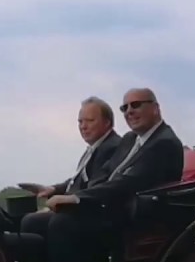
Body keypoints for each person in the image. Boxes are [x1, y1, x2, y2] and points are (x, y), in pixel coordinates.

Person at [39, 87, 184, 262]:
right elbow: (105, 174)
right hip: (114, 211)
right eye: (124, 108)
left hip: (139, 219)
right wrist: (72, 196)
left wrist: (76, 199)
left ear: (156, 108)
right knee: (35, 223)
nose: (129, 111)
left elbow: (126, 184)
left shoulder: (164, 142)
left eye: (136, 105)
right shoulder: (130, 139)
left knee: (62, 223)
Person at [19, 96, 122, 238]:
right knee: (27, 219)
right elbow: (78, 179)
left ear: (107, 123)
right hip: (78, 210)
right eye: (80, 121)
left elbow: (97, 186)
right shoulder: (94, 148)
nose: (83, 126)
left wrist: (63, 203)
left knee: (32, 221)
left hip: (93, 214)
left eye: (90, 121)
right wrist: (53, 189)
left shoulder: (112, 147)